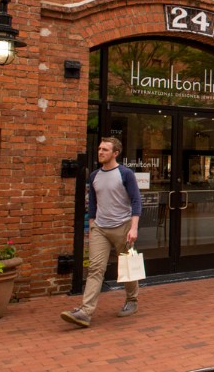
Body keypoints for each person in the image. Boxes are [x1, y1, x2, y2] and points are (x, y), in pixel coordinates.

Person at [61, 137, 142, 327]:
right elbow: (93, 204)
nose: (100, 152)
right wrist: (91, 226)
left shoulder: (125, 174)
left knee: (127, 266)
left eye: (105, 150)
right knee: (95, 268)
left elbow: (136, 201)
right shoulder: (95, 175)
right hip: (100, 227)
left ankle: (132, 300)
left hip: (123, 226)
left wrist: (134, 227)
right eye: (99, 149)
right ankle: (85, 312)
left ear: (115, 153)